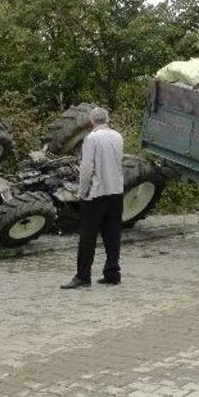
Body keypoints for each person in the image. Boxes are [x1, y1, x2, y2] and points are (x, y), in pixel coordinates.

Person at [61, 107, 124, 289]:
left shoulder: (91, 139)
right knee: (112, 235)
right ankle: (113, 273)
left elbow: (87, 168)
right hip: (116, 191)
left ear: (91, 121)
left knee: (87, 236)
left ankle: (83, 276)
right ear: (107, 119)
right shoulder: (118, 136)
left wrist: (82, 191)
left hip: (96, 193)